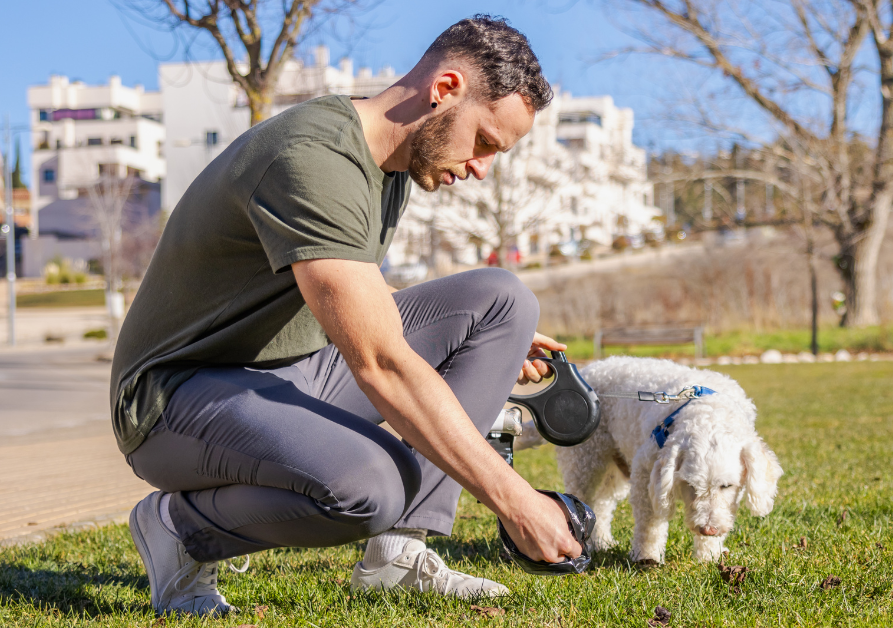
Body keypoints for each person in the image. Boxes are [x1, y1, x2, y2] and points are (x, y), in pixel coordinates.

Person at [109, 15, 581, 616]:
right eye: (485, 141)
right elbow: (380, 362)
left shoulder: (390, 163)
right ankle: (179, 527)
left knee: (500, 305)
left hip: (286, 370)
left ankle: (397, 557)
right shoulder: (312, 159)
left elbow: (354, 303)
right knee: (368, 487)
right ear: (445, 90)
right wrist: (516, 500)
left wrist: (484, 345)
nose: (482, 168)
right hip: (172, 399)